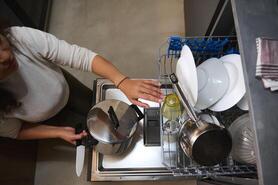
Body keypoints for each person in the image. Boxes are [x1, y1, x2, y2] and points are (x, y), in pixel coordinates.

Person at [0, 24, 163, 145]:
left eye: (0, 44)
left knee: (100, 111)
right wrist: (57, 132)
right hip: (49, 119)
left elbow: (81, 57)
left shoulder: (18, 38)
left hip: (66, 87)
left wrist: (121, 80)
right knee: (92, 138)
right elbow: (16, 130)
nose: (6, 57)